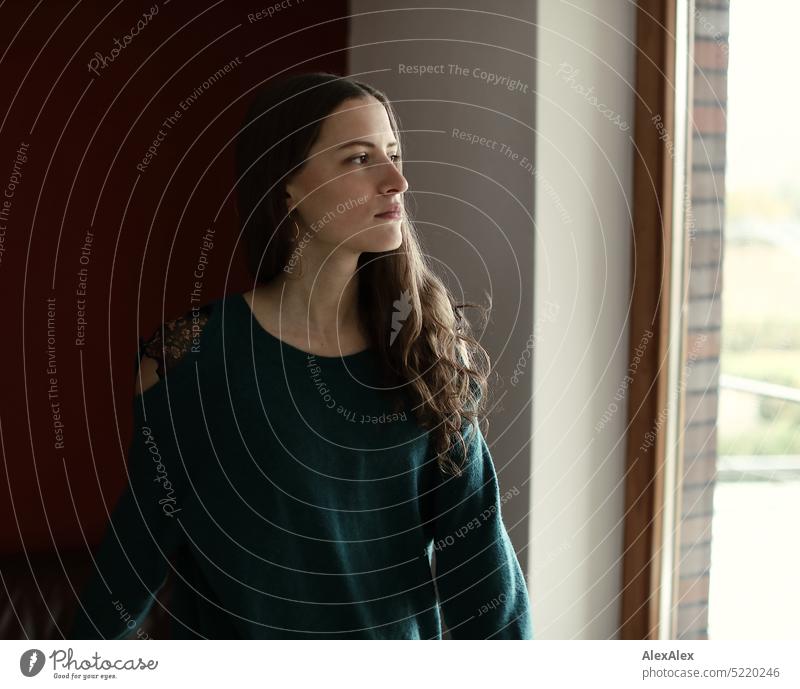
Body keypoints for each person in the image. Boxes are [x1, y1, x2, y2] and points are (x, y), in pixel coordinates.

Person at [69, 71, 533, 640]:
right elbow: (135, 557)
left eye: (393, 153)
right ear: (286, 185)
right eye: (359, 159)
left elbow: (481, 569)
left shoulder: (426, 346)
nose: (398, 180)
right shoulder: (187, 358)